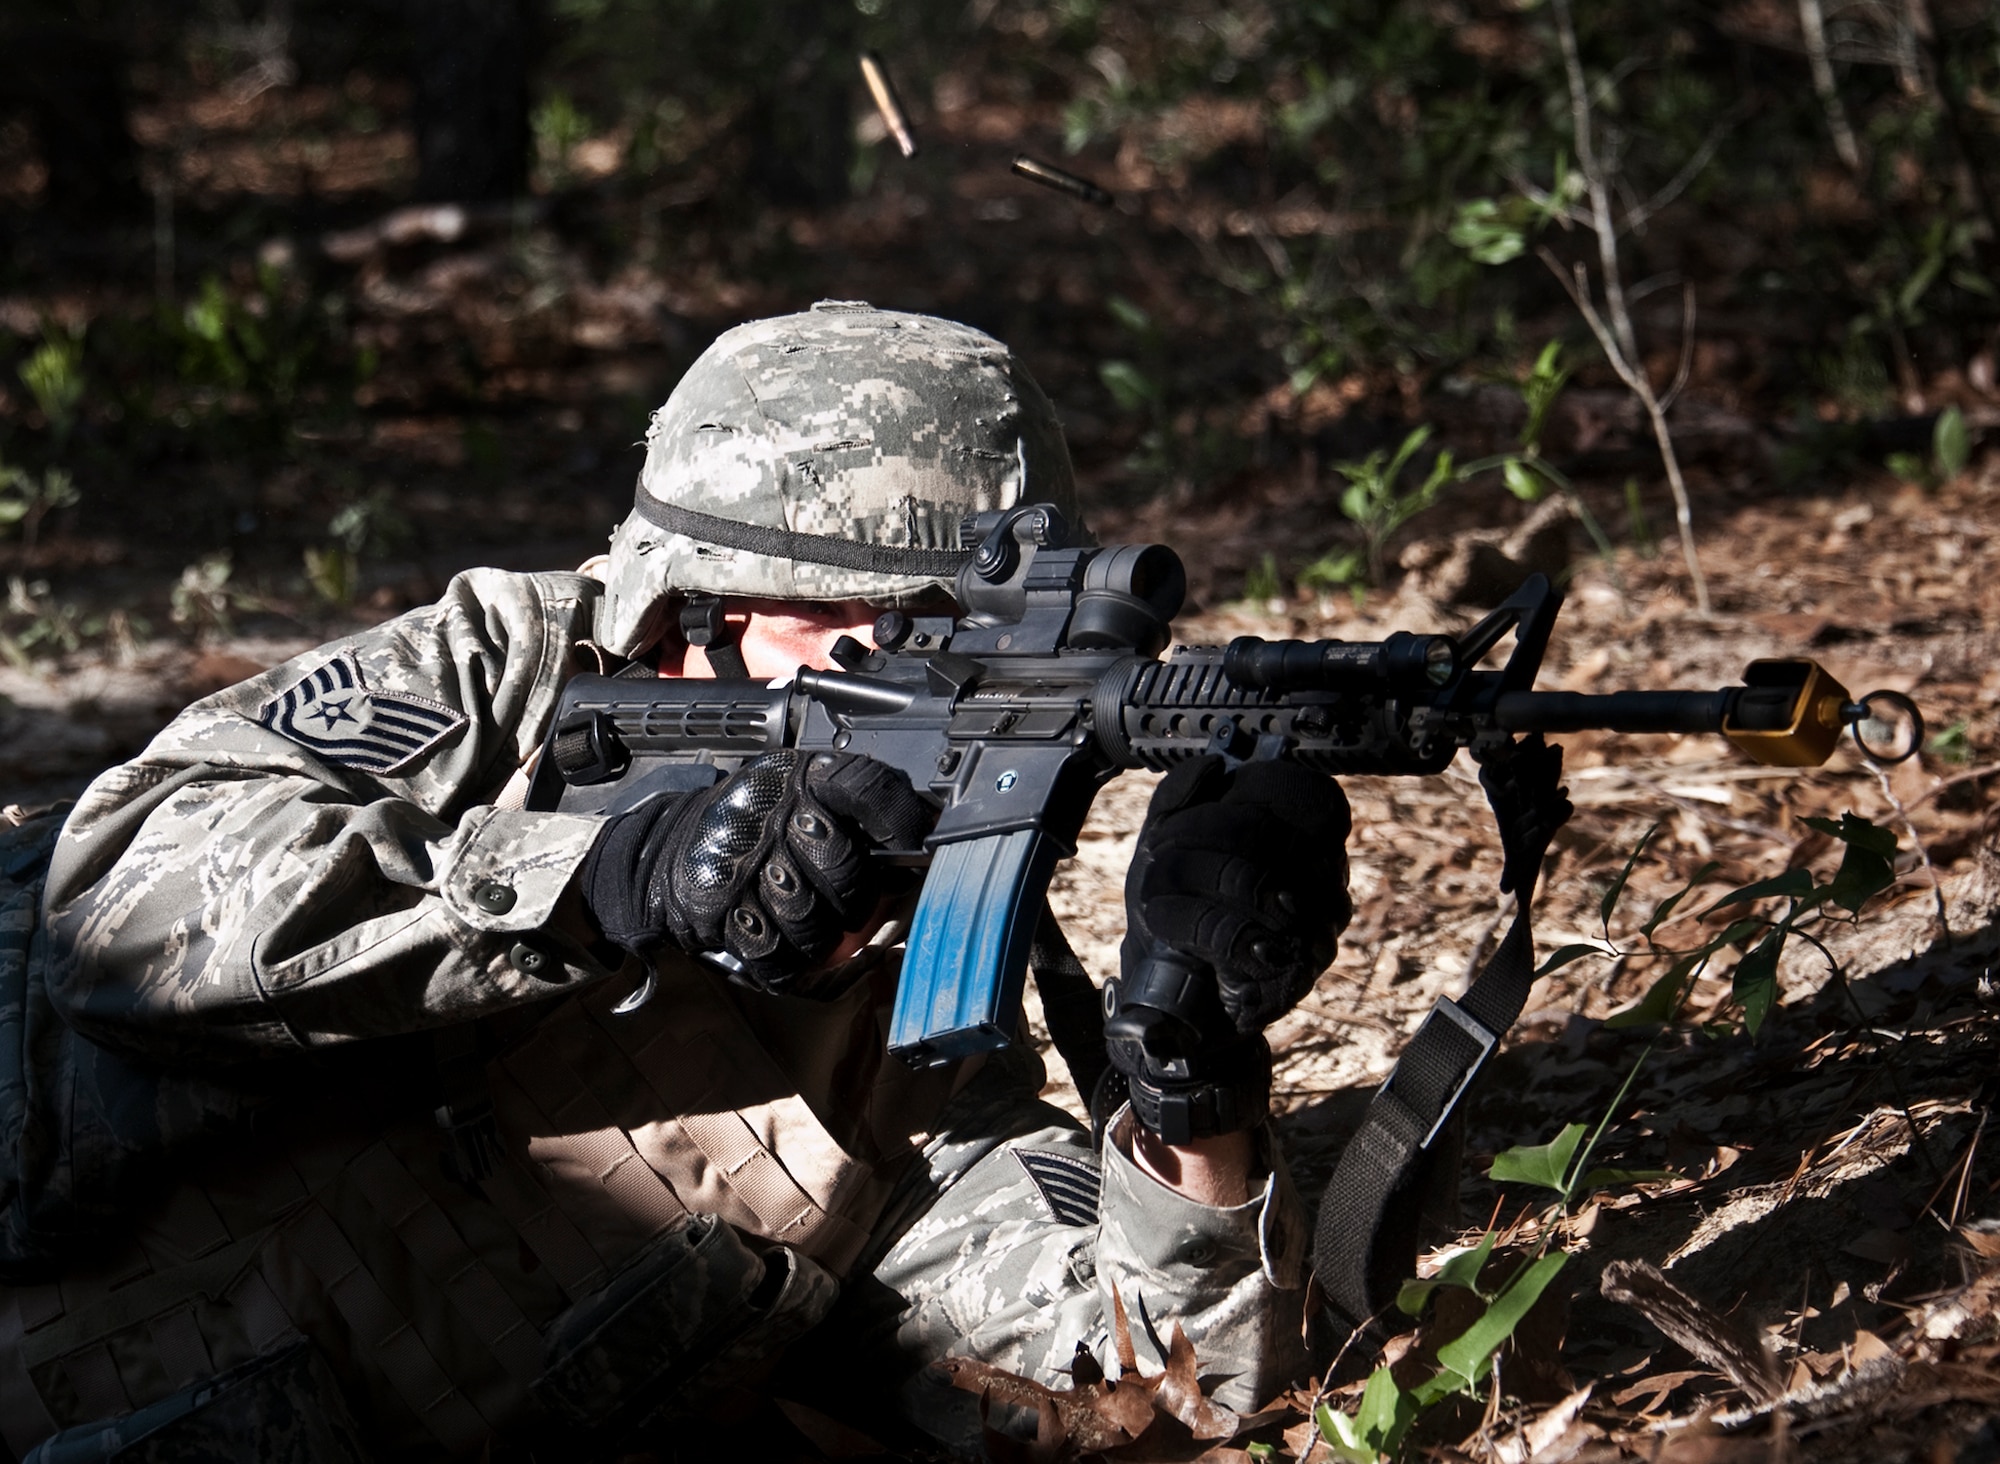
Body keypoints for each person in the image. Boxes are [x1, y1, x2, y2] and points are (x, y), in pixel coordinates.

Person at [0, 302, 1353, 1461]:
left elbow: (1170, 1391)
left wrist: (1197, 1079)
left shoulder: (911, 1050)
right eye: (866, 630)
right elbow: (115, 899)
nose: (925, 687)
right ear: (698, 601)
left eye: (975, 648)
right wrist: (600, 881)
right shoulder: (496, 681)